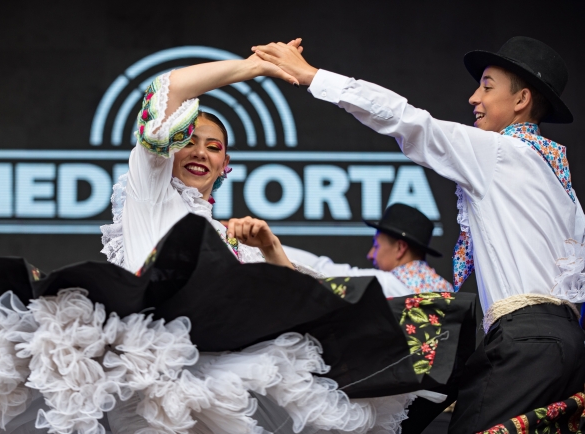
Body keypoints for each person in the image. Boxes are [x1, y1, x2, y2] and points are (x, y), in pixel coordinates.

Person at [252, 36, 585, 432]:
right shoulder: (558, 180)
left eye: (487, 86)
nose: (473, 97)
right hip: (567, 343)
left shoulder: (499, 153)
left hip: (525, 342)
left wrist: (313, 76)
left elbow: (408, 120)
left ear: (521, 100)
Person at [100, 43, 303, 273]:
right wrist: (252, 66)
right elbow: (170, 89)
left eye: (214, 147)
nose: (200, 153)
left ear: (224, 165)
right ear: (171, 149)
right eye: (188, 142)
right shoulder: (152, 194)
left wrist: (270, 247)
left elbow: (295, 299)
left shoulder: (239, 244)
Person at [283, 203, 452, 296]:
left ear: (400, 248)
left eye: (377, 245)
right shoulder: (448, 291)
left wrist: (268, 245)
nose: (370, 254)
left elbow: (320, 269)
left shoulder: (386, 285)